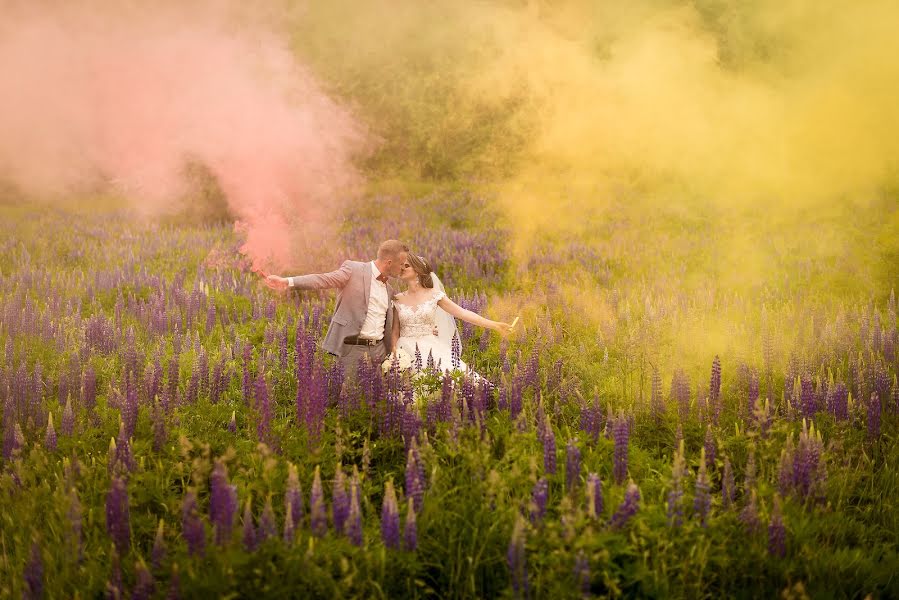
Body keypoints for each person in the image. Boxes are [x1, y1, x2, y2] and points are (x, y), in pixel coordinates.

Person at [265, 240, 409, 375]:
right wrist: (287, 282)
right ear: (389, 262)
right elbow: (323, 280)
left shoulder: (389, 289)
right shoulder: (354, 269)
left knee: (376, 400)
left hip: (380, 351)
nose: (403, 268)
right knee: (349, 396)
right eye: (402, 264)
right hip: (353, 349)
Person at [390, 254, 512, 374]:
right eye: (401, 265)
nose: (402, 268)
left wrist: (495, 325)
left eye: (406, 265)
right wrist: (394, 352)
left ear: (417, 271)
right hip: (404, 349)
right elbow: (395, 330)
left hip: (430, 347)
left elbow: (463, 313)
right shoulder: (398, 298)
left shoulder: (434, 295)